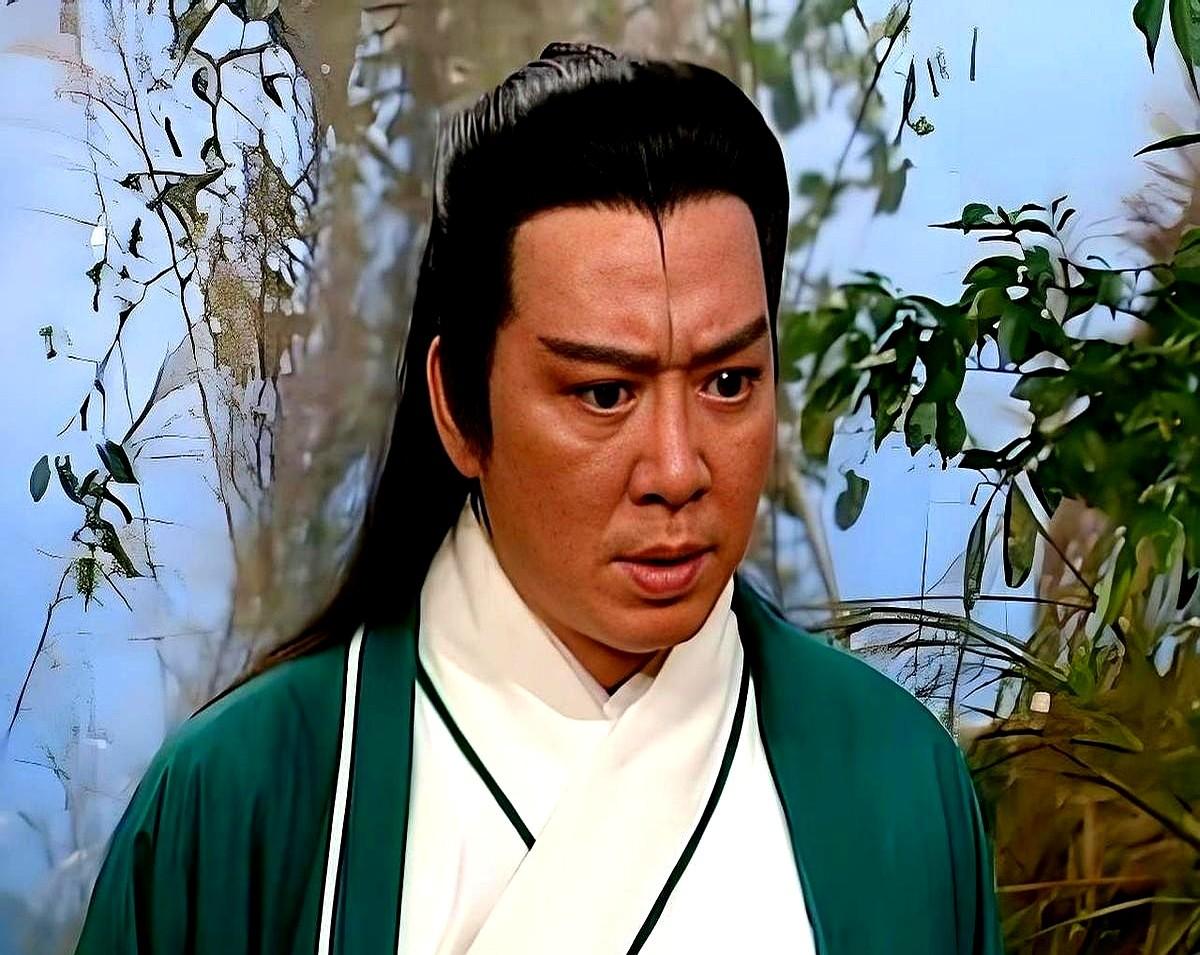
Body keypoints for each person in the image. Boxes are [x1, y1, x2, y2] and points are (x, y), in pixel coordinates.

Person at [75, 41, 1003, 955]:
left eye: (728, 382)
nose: (677, 469)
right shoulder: (245, 799)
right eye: (604, 393)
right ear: (458, 406)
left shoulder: (896, 778)